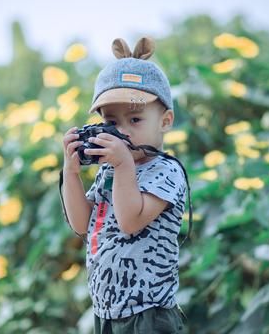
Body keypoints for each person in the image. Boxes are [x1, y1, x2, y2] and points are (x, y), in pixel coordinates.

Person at [61, 37, 188, 333]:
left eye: (135, 119)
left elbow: (130, 221)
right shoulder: (110, 170)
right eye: (112, 122)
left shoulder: (167, 172)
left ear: (165, 121)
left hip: (149, 312)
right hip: (106, 308)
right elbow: (82, 223)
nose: (123, 132)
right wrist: (71, 172)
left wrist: (122, 165)